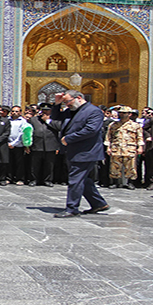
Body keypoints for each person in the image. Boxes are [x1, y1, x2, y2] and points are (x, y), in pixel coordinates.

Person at [51, 90, 109, 218]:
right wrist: (57, 104)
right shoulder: (71, 111)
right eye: (65, 103)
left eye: (68, 102)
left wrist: (69, 138)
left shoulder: (94, 111)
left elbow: (91, 130)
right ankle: (98, 203)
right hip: (73, 151)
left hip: (86, 151)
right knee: (83, 179)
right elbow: (55, 118)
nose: (67, 105)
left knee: (75, 179)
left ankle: (72, 208)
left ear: (78, 98)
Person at [104, 106, 144, 189]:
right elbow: (108, 137)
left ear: (129, 114)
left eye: (124, 113)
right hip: (116, 148)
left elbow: (139, 137)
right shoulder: (113, 125)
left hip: (129, 148)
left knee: (131, 166)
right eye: (120, 113)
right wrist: (108, 147)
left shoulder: (135, 125)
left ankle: (130, 182)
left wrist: (140, 147)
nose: (121, 114)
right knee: (114, 166)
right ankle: (115, 182)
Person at [28, 105, 60, 187]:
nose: (45, 112)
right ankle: (34, 179)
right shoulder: (34, 119)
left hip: (50, 145)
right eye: (43, 110)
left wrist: (48, 120)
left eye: (47, 110)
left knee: (49, 165)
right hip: (37, 145)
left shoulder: (55, 119)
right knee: (35, 165)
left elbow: (59, 128)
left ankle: (48, 180)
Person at [7, 105, 32, 185]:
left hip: (18, 145)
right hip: (8, 144)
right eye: (13, 111)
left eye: (17, 111)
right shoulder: (7, 120)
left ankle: (20, 178)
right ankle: (9, 178)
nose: (14, 113)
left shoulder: (23, 121)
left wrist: (14, 143)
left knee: (19, 163)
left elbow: (22, 134)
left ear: (20, 112)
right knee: (9, 163)